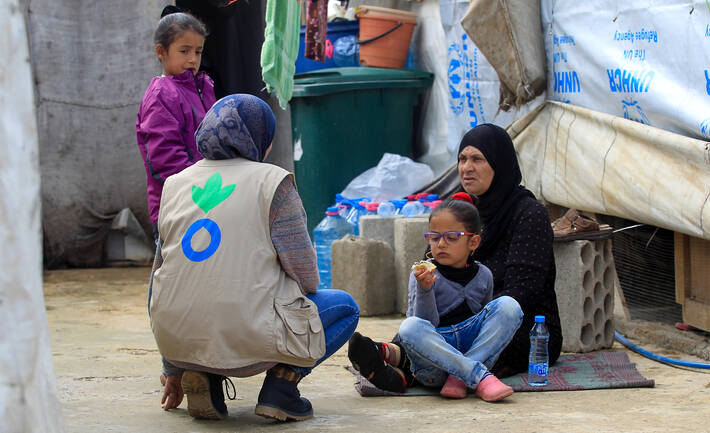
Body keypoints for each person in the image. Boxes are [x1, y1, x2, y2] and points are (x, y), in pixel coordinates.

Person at [149, 94, 359, 422]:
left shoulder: (174, 185)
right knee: (344, 307)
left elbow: (159, 277)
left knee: (191, 292)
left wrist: (171, 368)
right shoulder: (272, 182)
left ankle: (202, 376)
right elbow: (304, 273)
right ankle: (281, 389)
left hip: (177, 341)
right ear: (259, 138)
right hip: (251, 338)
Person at [349, 194, 523, 401]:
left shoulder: (484, 274)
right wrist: (425, 290)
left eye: (451, 237)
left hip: (469, 353)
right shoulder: (423, 274)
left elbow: (485, 327)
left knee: (509, 305)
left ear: (473, 242)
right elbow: (422, 328)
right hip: (434, 366)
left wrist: (466, 361)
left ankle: (461, 374)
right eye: (434, 237)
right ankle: (476, 375)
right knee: (410, 326)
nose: (441, 244)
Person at [457, 123, 562, 377]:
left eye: (477, 159)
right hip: (461, 316)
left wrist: (466, 319)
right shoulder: (458, 210)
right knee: (417, 331)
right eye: (462, 159)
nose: (466, 168)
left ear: (499, 163)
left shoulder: (529, 214)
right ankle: (391, 358)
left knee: (449, 343)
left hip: (520, 327)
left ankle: (428, 368)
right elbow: (433, 262)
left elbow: (521, 292)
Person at [136, 8, 216, 237]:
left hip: (205, 199)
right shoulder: (161, 94)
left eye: (198, 52)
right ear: (161, 52)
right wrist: (200, 183)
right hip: (176, 205)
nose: (193, 59)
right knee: (175, 270)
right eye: (184, 51)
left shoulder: (204, 88)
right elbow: (164, 157)